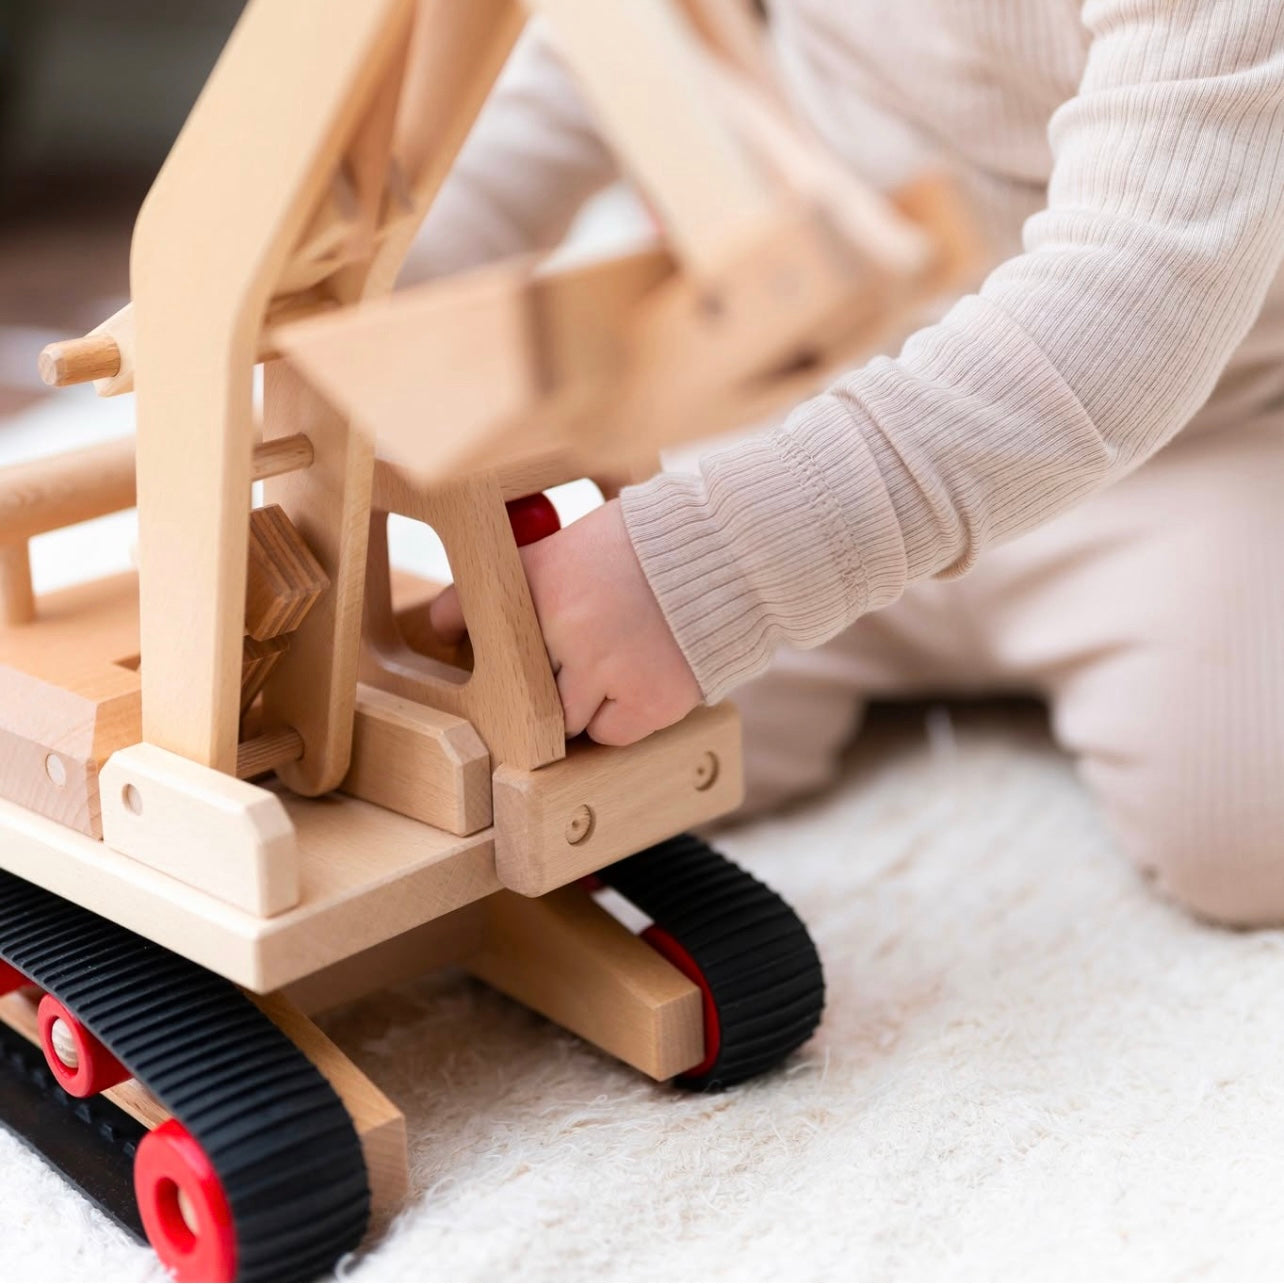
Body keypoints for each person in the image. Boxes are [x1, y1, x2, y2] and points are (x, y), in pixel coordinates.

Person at [418, 4, 1284, 926]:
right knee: (537, 728)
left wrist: (732, 560)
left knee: (1245, 826)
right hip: (829, 398)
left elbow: (1142, 286)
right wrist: (345, 290)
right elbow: (595, 63)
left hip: (1184, 440)